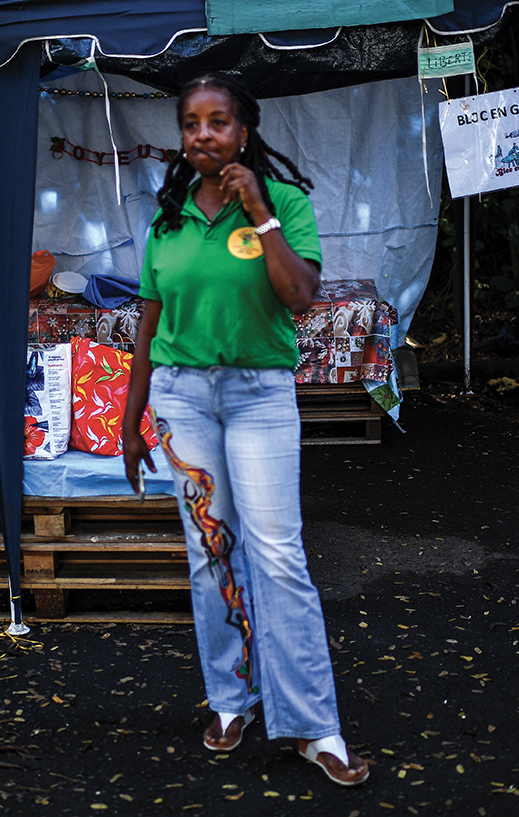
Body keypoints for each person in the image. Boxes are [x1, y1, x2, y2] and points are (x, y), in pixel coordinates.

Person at [122, 73, 368, 787]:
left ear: (244, 132)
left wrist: (258, 211)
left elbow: (300, 295)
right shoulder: (167, 219)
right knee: (210, 550)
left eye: (218, 122)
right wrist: (136, 422)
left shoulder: (284, 203)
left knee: (277, 554)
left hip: (259, 395)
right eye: (192, 123)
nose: (203, 134)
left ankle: (315, 723)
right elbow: (147, 323)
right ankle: (233, 698)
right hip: (181, 400)